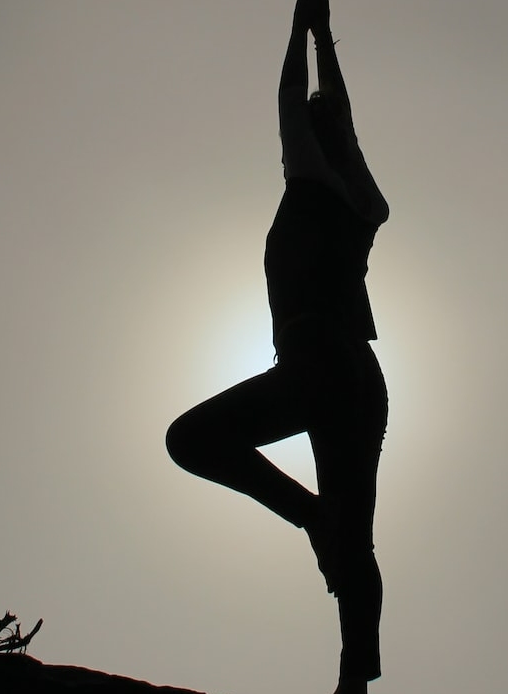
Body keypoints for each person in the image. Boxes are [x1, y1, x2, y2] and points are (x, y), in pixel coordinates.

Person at [164, 0, 390, 691]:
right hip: (363, 376)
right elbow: (341, 116)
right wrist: (325, 39)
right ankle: (356, 679)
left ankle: (313, 516)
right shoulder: (364, 202)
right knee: (357, 539)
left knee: (191, 440)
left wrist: (302, 29)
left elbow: (297, 99)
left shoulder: (313, 180)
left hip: (318, 359)